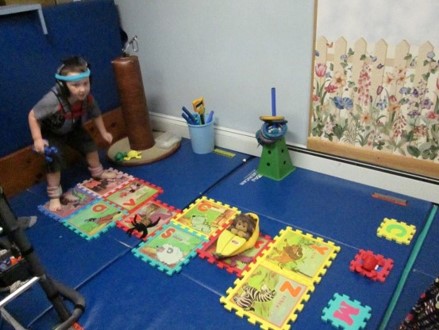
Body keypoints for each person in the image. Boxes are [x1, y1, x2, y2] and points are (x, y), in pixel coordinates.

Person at [28, 56, 115, 212]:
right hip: (53, 133)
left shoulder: (87, 98)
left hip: (73, 128)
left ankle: (98, 172)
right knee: (53, 160)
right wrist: (37, 139)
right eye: (75, 85)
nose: (82, 89)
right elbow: (33, 116)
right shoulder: (52, 100)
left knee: (89, 145)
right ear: (63, 86)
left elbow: (96, 114)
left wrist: (103, 132)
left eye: (85, 84)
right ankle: (54, 196)